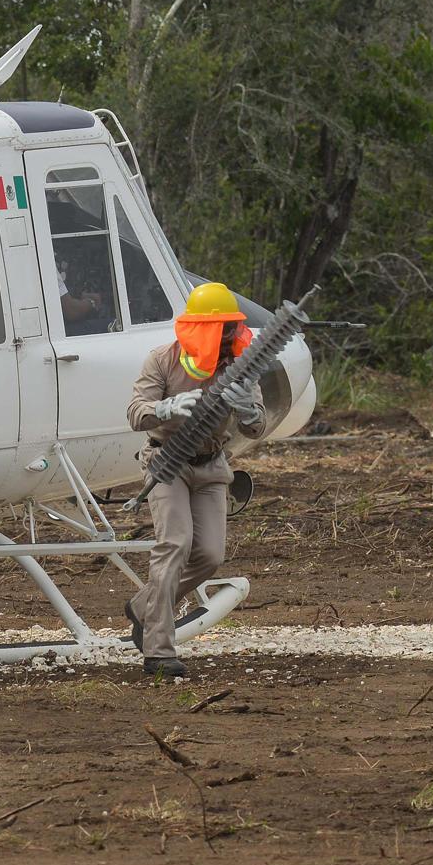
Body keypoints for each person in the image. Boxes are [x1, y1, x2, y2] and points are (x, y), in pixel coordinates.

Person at [124, 282, 266, 678]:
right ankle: (158, 651)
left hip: (211, 465)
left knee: (209, 555)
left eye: (231, 328)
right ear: (200, 329)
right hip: (165, 463)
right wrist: (164, 407)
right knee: (175, 543)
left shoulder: (240, 367)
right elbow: (135, 412)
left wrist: (249, 413)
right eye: (219, 328)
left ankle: (143, 606)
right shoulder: (162, 360)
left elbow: (257, 425)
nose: (227, 337)